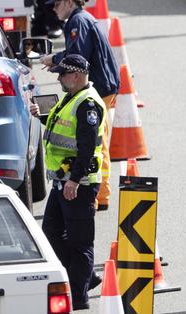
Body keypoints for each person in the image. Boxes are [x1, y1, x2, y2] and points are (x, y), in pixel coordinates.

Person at [30, 54, 105, 310]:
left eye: (62, 74)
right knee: (50, 233)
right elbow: (63, 131)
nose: (59, 79)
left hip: (79, 183)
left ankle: (79, 295)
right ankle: (85, 277)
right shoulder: (71, 98)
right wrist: (42, 116)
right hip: (62, 180)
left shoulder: (88, 105)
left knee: (80, 241)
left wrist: (74, 180)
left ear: (75, 75)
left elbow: (85, 148)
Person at [40, 0, 120, 212]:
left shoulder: (77, 22)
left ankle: (98, 195)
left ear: (68, 1)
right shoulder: (81, 19)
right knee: (97, 142)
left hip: (98, 88)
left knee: (95, 143)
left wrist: (55, 59)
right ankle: (101, 195)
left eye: (56, 4)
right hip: (103, 86)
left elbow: (78, 57)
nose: (53, 9)